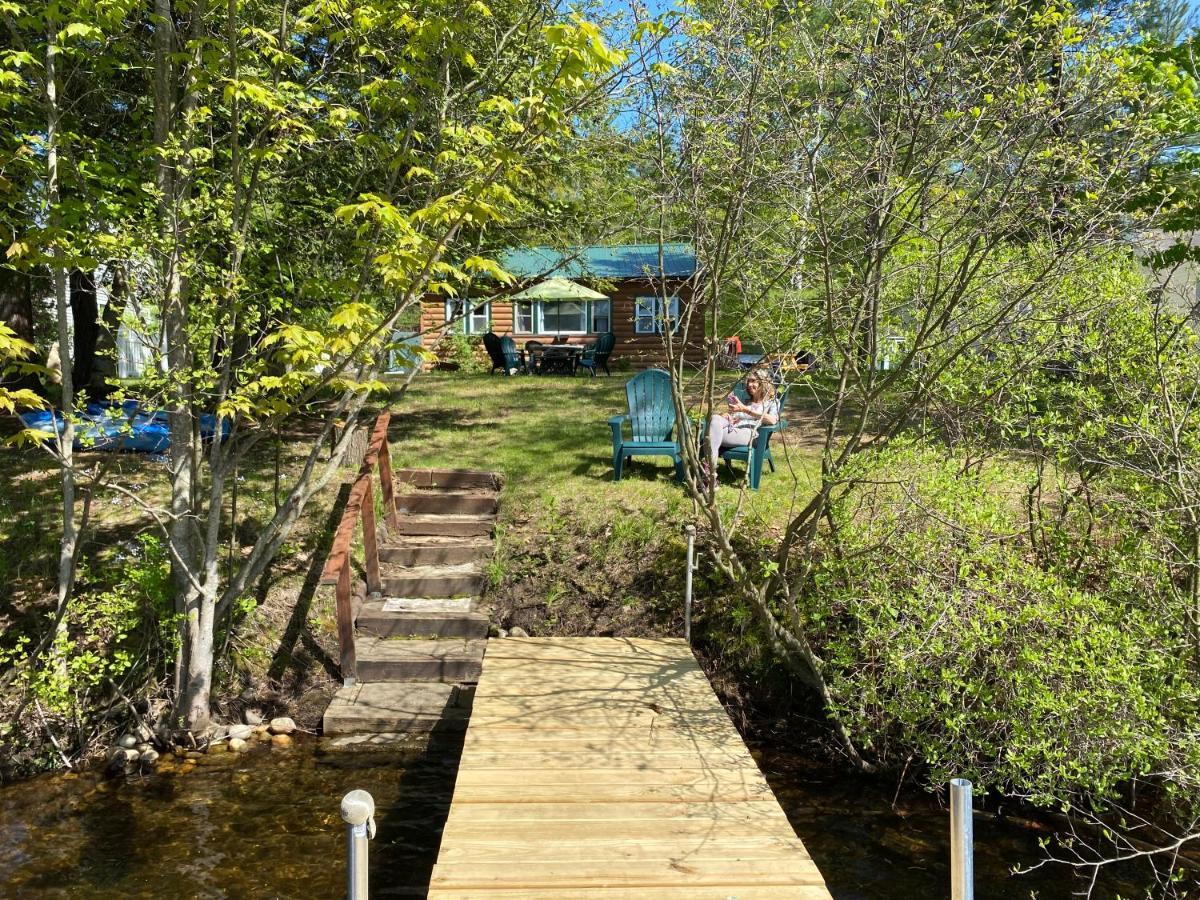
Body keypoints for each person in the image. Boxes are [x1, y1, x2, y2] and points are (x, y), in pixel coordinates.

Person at [703, 369, 778, 487]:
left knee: (711, 434)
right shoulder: (745, 401)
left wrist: (745, 410)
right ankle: (710, 475)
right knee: (715, 418)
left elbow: (772, 420)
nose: (749, 384)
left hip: (750, 434)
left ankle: (708, 475)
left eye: (753, 381)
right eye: (748, 381)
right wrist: (727, 416)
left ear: (763, 383)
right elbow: (734, 417)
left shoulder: (771, 402)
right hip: (732, 428)